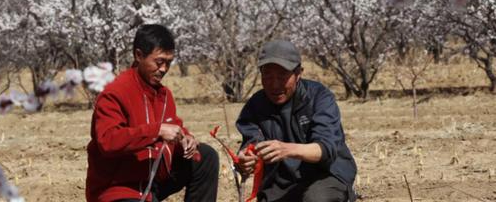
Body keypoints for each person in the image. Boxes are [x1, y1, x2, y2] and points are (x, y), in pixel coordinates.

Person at [85, 24, 218, 202]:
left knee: (206, 156)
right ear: (139, 56)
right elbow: (108, 140)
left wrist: (186, 139)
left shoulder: (164, 95)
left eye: (169, 63)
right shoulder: (114, 93)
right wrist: (156, 131)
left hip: (152, 181)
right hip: (118, 188)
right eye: (159, 62)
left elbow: (173, 127)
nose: (164, 69)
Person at [235, 40, 356, 202]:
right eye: (267, 75)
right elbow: (251, 144)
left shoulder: (319, 97)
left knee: (316, 199)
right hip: (280, 183)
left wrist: (286, 149)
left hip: (326, 176)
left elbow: (326, 150)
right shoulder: (255, 106)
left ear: (299, 73)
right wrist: (246, 160)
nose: (275, 84)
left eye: (282, 76)